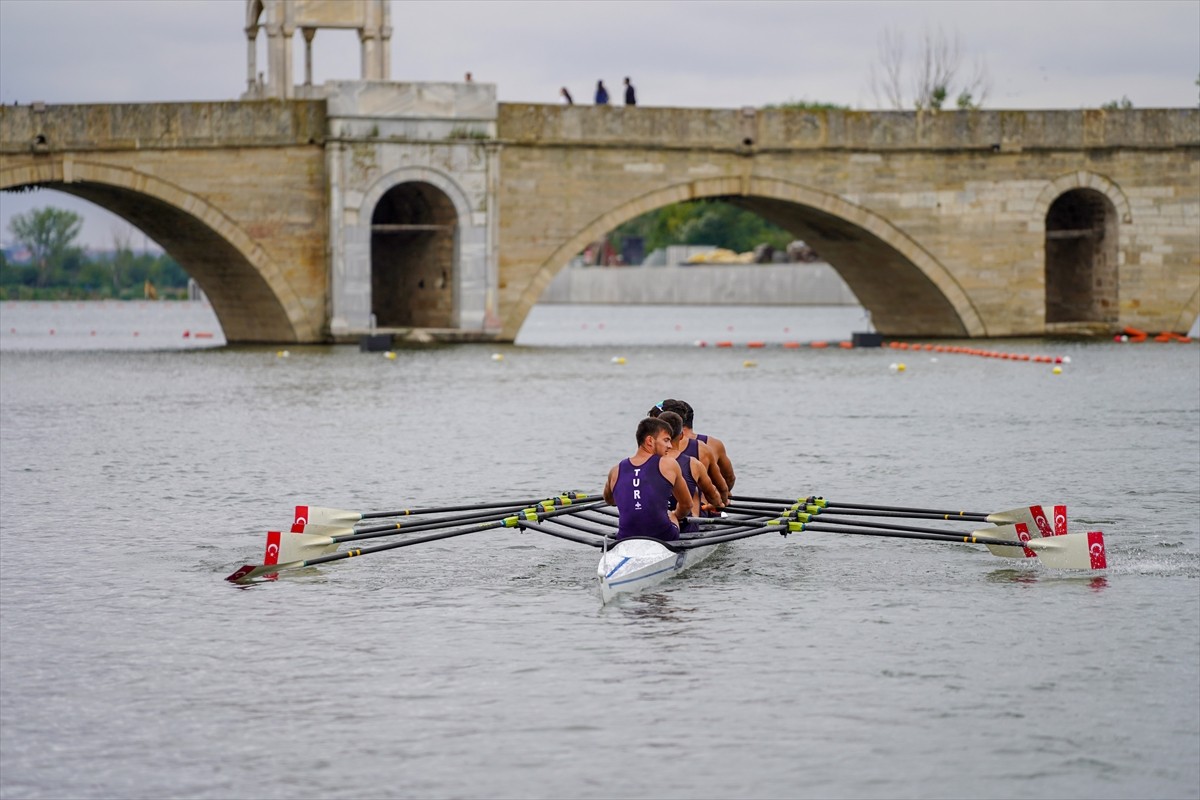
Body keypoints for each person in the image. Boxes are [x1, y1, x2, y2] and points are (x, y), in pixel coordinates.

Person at [603, 416, 692, 541]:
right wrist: (675, 515)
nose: (670, 445)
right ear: (650, 441)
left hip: (625, 538)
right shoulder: (669, 464)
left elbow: (609, 500)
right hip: (663, 537)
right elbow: (687, 505)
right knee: (670, 514)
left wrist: (633, 497)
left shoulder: (615, 470)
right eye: (666, 440)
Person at [655, 399, 735, 502]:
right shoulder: (710, 446)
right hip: (702, 505)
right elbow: (729, 478)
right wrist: (722, 500)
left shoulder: (649, 450)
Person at [658, 411, 723, 531]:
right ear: (681, 436)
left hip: (650, 526)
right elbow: (712, 496)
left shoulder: (642, 462)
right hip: (683, 526)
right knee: (696, 494)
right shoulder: (693, 464)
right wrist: (719, 504)